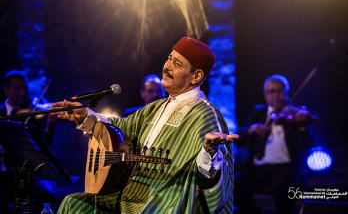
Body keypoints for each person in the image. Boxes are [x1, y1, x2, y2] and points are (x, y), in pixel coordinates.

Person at [52, 37, 238, 213]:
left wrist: (208, 154)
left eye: (177, 63)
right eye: (169, 59)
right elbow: (122, 129)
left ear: (196, 76)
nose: (167, 66)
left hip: (165, 202)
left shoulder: (205, 115)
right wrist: (86, 116)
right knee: (74, 204)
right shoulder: (156, 107)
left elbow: (218, 182)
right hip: (132, 194)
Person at [233, 74, 313, 214]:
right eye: (272, 91)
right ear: (265, 95)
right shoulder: (258, 111)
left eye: (280, 91)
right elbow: (239, 140)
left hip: (286, 168)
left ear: (286, 93)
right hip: (258, 168)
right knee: (234, 184)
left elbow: (307, 144)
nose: (276, 95)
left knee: (283, 188)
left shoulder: (294, 113)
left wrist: (302, 127)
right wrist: (251, 129)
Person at [0, 70, 57, 214]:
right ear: (6, 90)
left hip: (29, 173)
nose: (22, 92)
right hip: (4, 174)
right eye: (17, 88)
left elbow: (45, 146)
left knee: (46, 192)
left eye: (25, 88)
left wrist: (51, 125)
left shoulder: (33, 112)